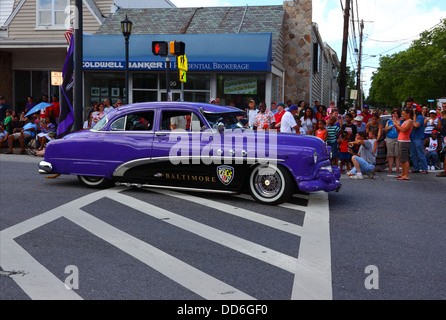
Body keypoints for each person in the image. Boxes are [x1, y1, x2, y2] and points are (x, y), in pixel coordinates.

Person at [393, 107, 414, 180]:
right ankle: (403, 173)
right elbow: (400, 131)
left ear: (408, 114)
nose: (403, 115)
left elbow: (404, 130)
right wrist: (396, 126)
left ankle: (406, 175)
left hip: (405, 141)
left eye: (404, 114)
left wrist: (397, 124)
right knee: (401, 158)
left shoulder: (410, 121)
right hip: (400, 140)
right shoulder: (405, 121)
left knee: (405, 158)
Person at [408, 100, 429, 174]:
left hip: (418, 137)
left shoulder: (419, 117)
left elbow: (416, 125)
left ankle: (424, 168)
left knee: (420, 153)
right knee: (413, 154)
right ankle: (416, 168)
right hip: (412, 137)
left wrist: (414, 114)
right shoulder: (410, 117)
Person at [385, 109, 402, 173]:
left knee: (397, 154)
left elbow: (402, 129)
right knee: (390, 154)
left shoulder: (400, 121)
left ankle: (397, 168)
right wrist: (388, 128)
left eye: (396, 113)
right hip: (390, 138)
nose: (394, 114)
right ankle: (390, 168)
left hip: (398, 138)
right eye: (393, 113)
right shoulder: (389, 121)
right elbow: (385, 129)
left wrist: (397, 124)